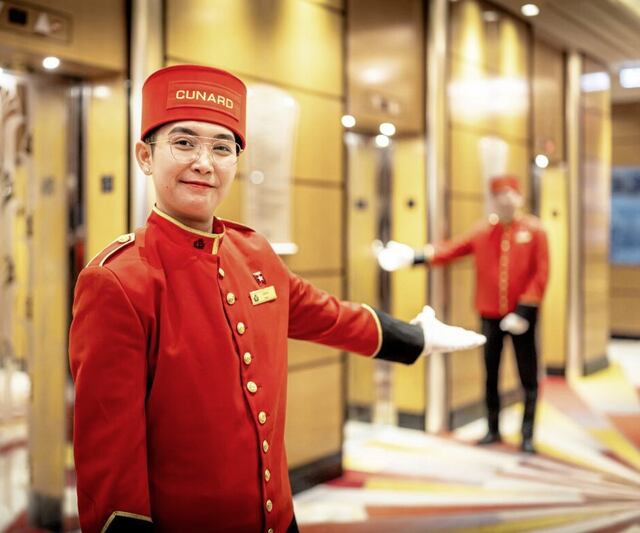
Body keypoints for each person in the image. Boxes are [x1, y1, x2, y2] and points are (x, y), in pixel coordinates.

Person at [68, 64, 486, 533]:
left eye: (222, 148)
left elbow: (325, 316)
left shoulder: (254, 253)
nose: (204, 162)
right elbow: (109, 458)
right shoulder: (118, 281)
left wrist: (414, 336)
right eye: (184, 143)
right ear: (145, 156)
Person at [377, 175, 549, 454]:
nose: (506, 198)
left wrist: (524, 311)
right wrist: (415, 257)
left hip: (523, 316)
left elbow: (540, 274)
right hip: (489, 313)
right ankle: (493, 428)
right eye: (500, 193)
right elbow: (451, 249)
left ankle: (527, 434)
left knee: (527, 375)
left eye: (511, 192)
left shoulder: (535, 230)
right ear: (493, 199)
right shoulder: (483, 231)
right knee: (490, 373)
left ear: (519, 197)